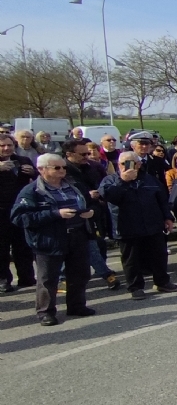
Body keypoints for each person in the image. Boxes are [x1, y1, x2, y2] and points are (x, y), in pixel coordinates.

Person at [10, 154, 97, 324]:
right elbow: (20, 217)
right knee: (48, 278)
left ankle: (76, 305)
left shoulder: (75, 186)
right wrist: (55, 214)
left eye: (63, 167)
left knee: (80, 273)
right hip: (50, 238)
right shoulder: (32, 191)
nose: (62, 171)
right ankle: (46, 312)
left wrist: (91, 212)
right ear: (42, 169)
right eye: (56, 168)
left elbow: (91, 204)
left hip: (77, 234)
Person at [99, 153, 177, 300]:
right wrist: (123, 181)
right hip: (127, 227)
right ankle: (135, 287)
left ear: (138, 164)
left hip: (152, 224)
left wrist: (168, 217)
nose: (126, 166)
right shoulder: (110, 180)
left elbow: (162, 199)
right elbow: (110, 198)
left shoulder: (149, 179)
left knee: (159, 255)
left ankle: (162, 282)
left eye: (130, 163)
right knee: (131, 259)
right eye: (123, 163)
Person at [62, 139, 122, 290]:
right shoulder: (61, 169)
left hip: (93, 211)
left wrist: (100, 195)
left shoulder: (93, 167)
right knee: (68, 246)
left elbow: (104, 183)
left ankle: (104, 272)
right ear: (69, 154)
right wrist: (86, 194)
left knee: (96, 243)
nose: (87, 156)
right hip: (69, 214)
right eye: (82, 154)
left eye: (88, 153)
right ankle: (64, 277)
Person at [0, 134, 37, 293]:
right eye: (2, 146)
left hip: (20, 209)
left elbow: (37, 180)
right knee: (1, 248)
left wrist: (33, 172)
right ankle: (3, 280)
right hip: (1, 211)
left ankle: (26, 277)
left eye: (9, 145)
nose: (6, 148)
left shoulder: (23, 160)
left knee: (23, 246)